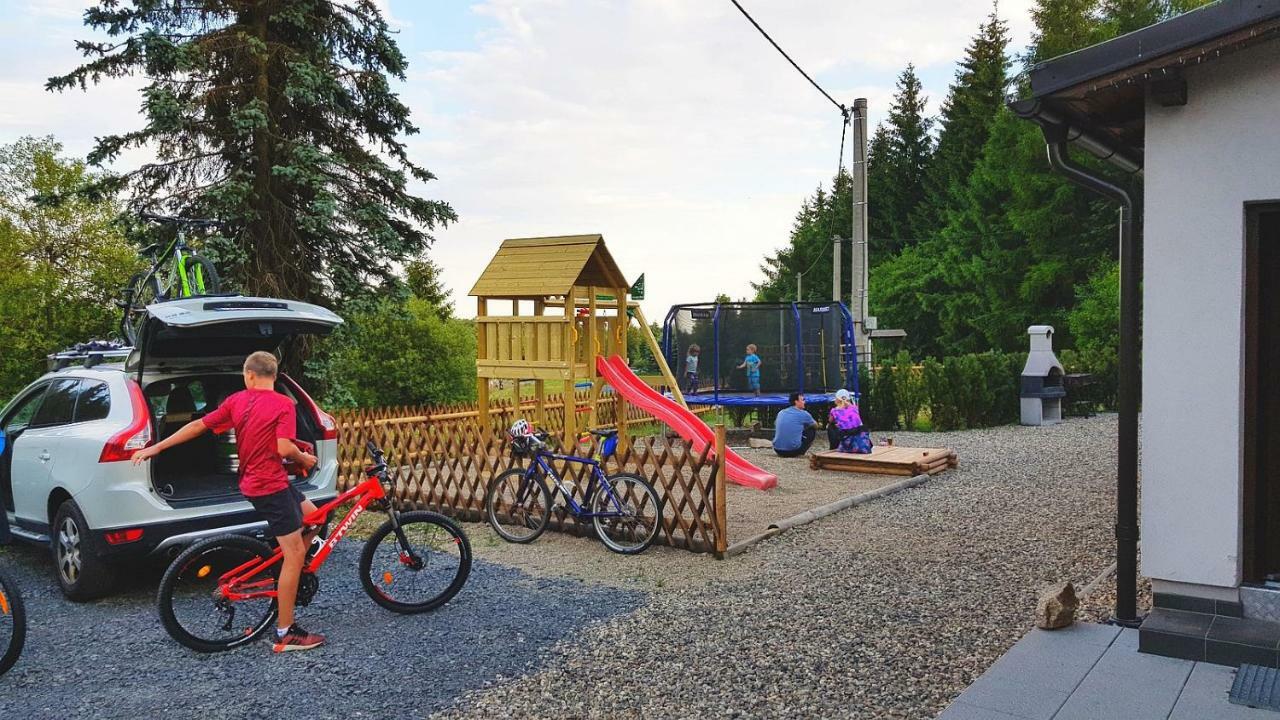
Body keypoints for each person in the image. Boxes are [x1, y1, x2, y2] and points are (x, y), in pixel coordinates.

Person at [131, 351, 324, 652]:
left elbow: (196, 427)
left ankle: (285, 566)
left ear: (249, 375)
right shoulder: (284, 403)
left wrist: (157, 447)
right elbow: (283, 447)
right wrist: (305, 457)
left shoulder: (236, 400)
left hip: (261, 483)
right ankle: (286, 632)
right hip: (269, 486)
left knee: (316, 516)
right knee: (295, 553)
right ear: (273, 375)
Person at [827, 388, 873, 454]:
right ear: (848, 399)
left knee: (831, 427)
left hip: (845, 437)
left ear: (836, 400)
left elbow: (830, 421)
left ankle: (833, 447)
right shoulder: (854, 408)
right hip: (859, 437)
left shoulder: (834, 411)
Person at [773, 392, 817, 457]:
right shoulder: (804, 414)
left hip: (777, 449)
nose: (804, 402)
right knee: (812, 430)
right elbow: (816, 425)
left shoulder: (781, 412)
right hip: (793, 451)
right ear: (796, 402)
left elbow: (775, 424)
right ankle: (801, 452)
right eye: (803, 400)